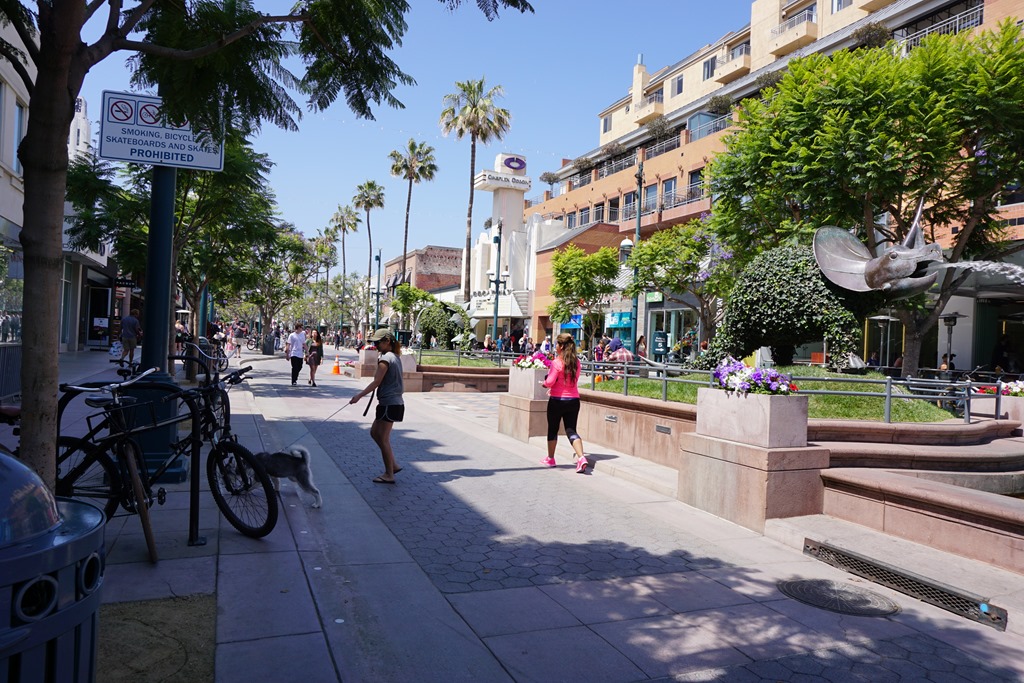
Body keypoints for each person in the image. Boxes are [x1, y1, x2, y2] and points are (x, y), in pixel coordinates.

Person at [349, 329, 405, 484]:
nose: (375, 345)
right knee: (375, 433)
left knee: (383, 438)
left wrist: (359, 396)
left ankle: (389, 474)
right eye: (374, 342)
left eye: (378, 342)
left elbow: (376, 382)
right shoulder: (395, 357)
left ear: (387, 341)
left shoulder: (386, 359)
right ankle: (393, 465)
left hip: (390, 403)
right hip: (393, 403)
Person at [541, 333, 590, 473]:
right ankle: (581, 458)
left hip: (557, 401)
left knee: (553, 429)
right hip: (573, 400)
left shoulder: (557, 362)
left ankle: (550, 458)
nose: (555, 346)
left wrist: (544, 384)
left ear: (561, 346)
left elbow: (550, 381)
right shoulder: (577, 362)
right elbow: (572, 381)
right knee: (571, 430)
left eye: (557, 344)